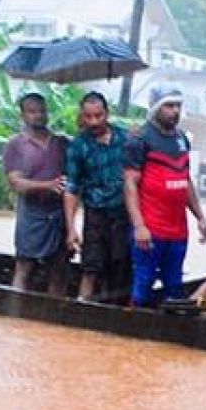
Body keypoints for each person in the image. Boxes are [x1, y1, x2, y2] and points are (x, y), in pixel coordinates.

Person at [124, 83, 206, 307]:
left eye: (178, 106)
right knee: (143, 283)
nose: (175, 111)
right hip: (151, 228)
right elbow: (130, 185)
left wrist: (200, 217)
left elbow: (186, 180)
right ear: (155, 108)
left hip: (178, 229)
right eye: (169, 106)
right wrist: (139, 226)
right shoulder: (140, 139)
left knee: (174, 285)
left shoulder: (182, 139)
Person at [64, 91, 132, 301]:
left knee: (122, 266)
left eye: (98, 116)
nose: (94, 121)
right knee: (90, 267)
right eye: (88, 117)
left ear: (107, 114)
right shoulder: (78, 145)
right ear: (82, 117)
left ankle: (121, 317)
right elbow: (72, 188)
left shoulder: (126, 139)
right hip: (95, 214)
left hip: (123, 213)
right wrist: (71, 228)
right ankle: (81, 310)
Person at [3, 92, 70, 294]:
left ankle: (55, 315)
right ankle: (14, 315)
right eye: (32, 112)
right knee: (24, 265)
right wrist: (47, 185)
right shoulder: (16, 144)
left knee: (59, 267)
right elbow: (16, 183)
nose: (38, 116)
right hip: (31, 212)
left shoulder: (62, 143)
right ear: (22, 115)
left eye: (41, 111)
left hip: (58, 212)